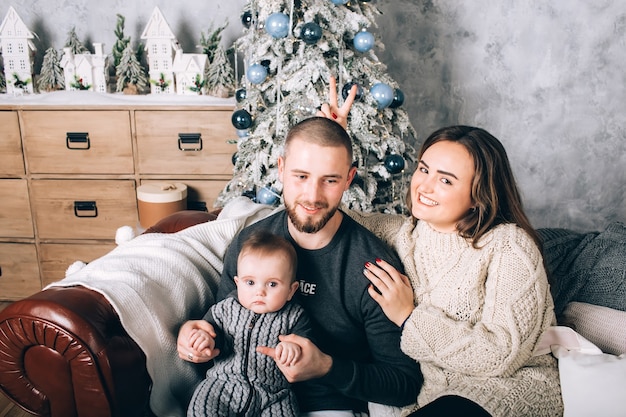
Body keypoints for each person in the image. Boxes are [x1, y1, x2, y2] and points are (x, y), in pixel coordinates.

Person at [177, 81, 423, 415]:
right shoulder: (250, 244)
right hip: (237, 398)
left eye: (330, 180)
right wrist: (197, 339)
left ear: (349, 179)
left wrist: (326, 366)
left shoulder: (372, 267)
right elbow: (224, 325)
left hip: (327, 405)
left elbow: (403, 382)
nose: (312, 196)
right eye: (301, 176)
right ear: (280, 170)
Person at [350, 125, 563, 416]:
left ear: (478, 195)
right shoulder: (403, 234)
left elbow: (501, 356)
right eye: (424, 170)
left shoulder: (508, 245)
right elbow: (328, 214)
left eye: (446, 181)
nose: (424, 186)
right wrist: (337, 141)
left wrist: (408, 316)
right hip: (436, 396)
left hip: (507, 390)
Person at [186, 230, 313, 417]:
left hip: (274, 393)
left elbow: (307, 345)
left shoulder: (295, 317)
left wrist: (294, 349)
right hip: (222, 386)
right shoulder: (224, 309)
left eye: (272, 284)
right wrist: (204, 339)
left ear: (291, 290)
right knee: (202, 408)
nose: (259, 292)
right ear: (237, 283)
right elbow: (210, 333)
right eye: (250, 282)